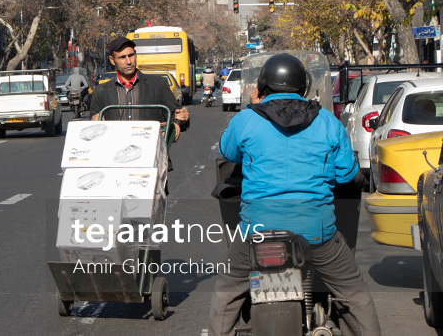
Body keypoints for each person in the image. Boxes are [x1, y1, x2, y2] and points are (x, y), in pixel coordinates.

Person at [208, 53, 380, 336]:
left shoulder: (247, 119)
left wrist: (253, 108)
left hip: (257, 232)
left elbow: (227, 151)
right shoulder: (327, 122)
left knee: (227, 292)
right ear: (304, 87)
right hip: (317, 233)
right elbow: (347, 174)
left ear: (262, 85)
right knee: (355, 294)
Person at [90, 36, 189, 141]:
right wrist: (95, 121)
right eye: (122, 57)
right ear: (112, 60)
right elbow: (91, 128)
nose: (128, 61)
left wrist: (179, 120)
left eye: (131, 55)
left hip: (151, 152)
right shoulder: (101, 91)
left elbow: (176, 115)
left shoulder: (158, 84)